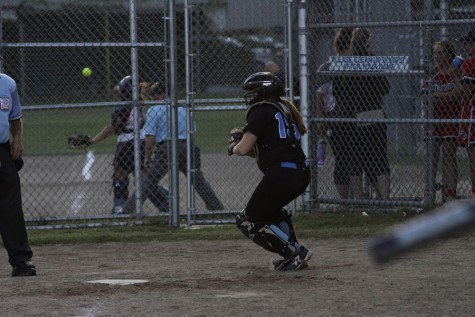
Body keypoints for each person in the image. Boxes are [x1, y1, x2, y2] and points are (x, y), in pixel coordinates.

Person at [229, 72, 312, 271]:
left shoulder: (261, 110)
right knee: (270, 213)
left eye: (255, 91)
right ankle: (294, 251)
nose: (251, 96)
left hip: (283, 174)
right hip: (299, 172)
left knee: (247, 219)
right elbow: (270, 149)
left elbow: (242, 148)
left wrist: (233, 146)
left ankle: (294, 253)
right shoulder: (284, 109)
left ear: (265, 91)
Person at [122, 81, 224, 213]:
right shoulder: (184, 108)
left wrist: (147, 157)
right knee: (198, 180)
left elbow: (150, 138)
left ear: (163, 94)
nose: (153, 97)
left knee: (149, 180)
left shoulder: (154, 109)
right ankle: (217, 209)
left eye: (155, 94)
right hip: (187, 146)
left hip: (167, 148)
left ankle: (128, 210)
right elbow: (193, 133)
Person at [332, 28, 391, 199]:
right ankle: (385, 199)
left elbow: (336, 91)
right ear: (366, 41)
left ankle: (357, 199)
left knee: (355, 159)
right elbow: (385, 88)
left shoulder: (345, 62)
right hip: (373, 111)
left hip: (353, 114)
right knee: (379, 157)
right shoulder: (371, 60)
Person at [86, 75, 146, 214]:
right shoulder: (139, 102)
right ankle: (164, 201)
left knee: (120, 175)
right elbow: (122, 88)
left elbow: (112, 129)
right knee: (144, 177)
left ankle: (120, 207)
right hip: (141, 141)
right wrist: (122, 89)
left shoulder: (122, 108)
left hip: (126, 144)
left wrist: (92, 140)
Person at [0, 71, 36, 276]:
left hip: (2, 149)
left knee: (11, 206)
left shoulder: (8, 84)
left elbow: (14, 117)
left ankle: (21, 260)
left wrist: (17, 140)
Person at [316, 27, 354, 198]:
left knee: (353, 157)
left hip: (353, 115)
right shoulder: (330, 66)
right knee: (344, 158)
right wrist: (322, 120)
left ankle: (354, 196)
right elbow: (320, 95)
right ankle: (346, 198)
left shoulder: (357, 64)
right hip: (337, 117)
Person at [421, 40, 462, 200]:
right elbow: (425, 97)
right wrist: (444, 97)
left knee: (449, 155)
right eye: (435, 53)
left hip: (451, 118)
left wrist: (436, 97)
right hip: (433, 120)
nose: (437, 56)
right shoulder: (433, 73)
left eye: (441, 52)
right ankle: (428, 194)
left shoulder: (455, 72)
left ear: (449, 54)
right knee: (432, 157)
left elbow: (459, 93)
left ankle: (450, 193)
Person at [456, 29, 475, 196]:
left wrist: (456, 78)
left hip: (472, 113)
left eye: (468, 43)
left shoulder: (469, 64)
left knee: (473, 152)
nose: (464, 46)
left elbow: (467, 93)